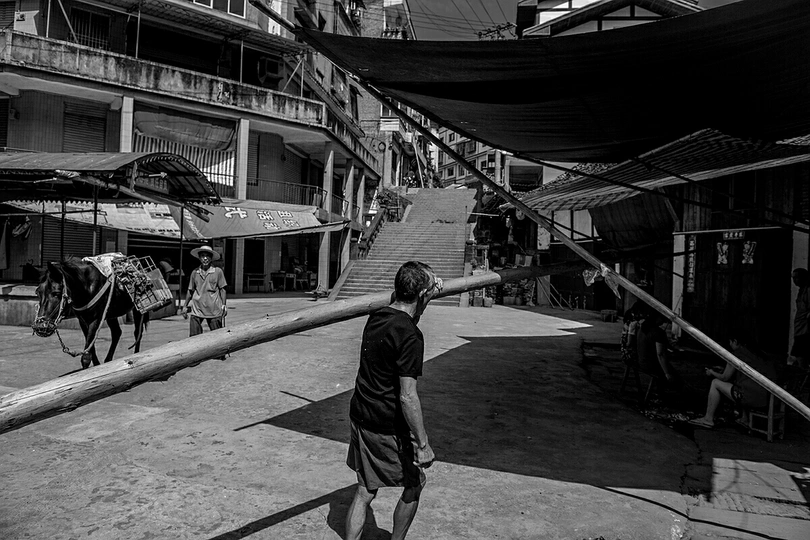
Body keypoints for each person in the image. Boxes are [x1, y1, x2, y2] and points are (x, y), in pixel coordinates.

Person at [345, 261, 443, 540]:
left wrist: (427, 293)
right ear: (422, 294)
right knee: (415, 484)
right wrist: (422, 444)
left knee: (365, 490)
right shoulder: (410, 336)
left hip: (360, 413)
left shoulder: (377, 317)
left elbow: (406, 319)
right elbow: (407, 396)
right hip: (385, 425)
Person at [689, 333, 778, 428]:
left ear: (735, 341)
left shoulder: (736, 354)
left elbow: (725, 377)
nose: (730, 345)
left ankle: (708, 419)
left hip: (751, 398)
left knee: (715, 383)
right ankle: (745, 419)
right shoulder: (760, 354)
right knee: (743, 384)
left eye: (730, 342)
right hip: (769, 399)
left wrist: (711, 372)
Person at [181, 245, 227, 342]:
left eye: (207, 256)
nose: (205, 258)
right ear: (199, 258)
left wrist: (224, 305)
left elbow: (222, 289)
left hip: (214, 308)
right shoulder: (195, 272)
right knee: (194, 337)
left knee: (218, 337)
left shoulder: (218, 271)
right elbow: (190, 290)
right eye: (202, 256)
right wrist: (185, 306)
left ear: (211, 258)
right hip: (197, 308)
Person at [635, 306, 679, 386]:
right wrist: (667, 373)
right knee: (676, 378)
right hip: (651, 365)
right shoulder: (658, 332)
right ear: (656, 317)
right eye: (662, 317)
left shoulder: (642, 328)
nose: (664, 320)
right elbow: (660, 354)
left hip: (641, 361)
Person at [789, 268, 810, 369]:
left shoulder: (808, 290)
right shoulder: (801, 291)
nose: (794, 280)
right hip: (800, 328)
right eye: (793, 278)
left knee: (800, 354)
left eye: (796, 277)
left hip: (805, 330)